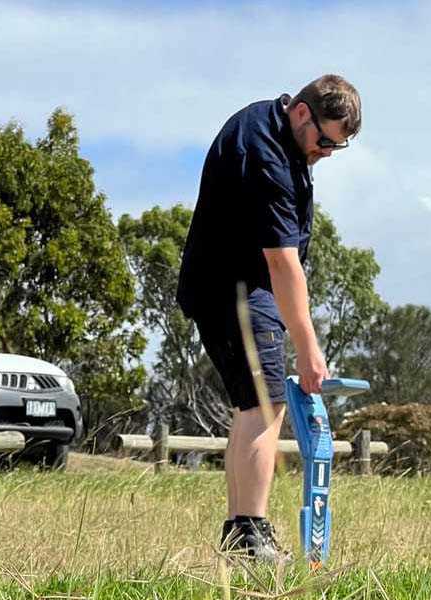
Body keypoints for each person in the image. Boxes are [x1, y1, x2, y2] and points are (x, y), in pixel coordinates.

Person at [176, 75, 362, 560]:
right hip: (234, 288)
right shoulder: (267, 155)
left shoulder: (272, 128)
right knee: (266, 404)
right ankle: (252, 535)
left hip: (232, 285)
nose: (325, 153)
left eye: (336, 148)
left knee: (252, 406)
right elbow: (283, 262)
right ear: (301, 113)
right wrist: (308, 348)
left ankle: (241, 532)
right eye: (324, 141)